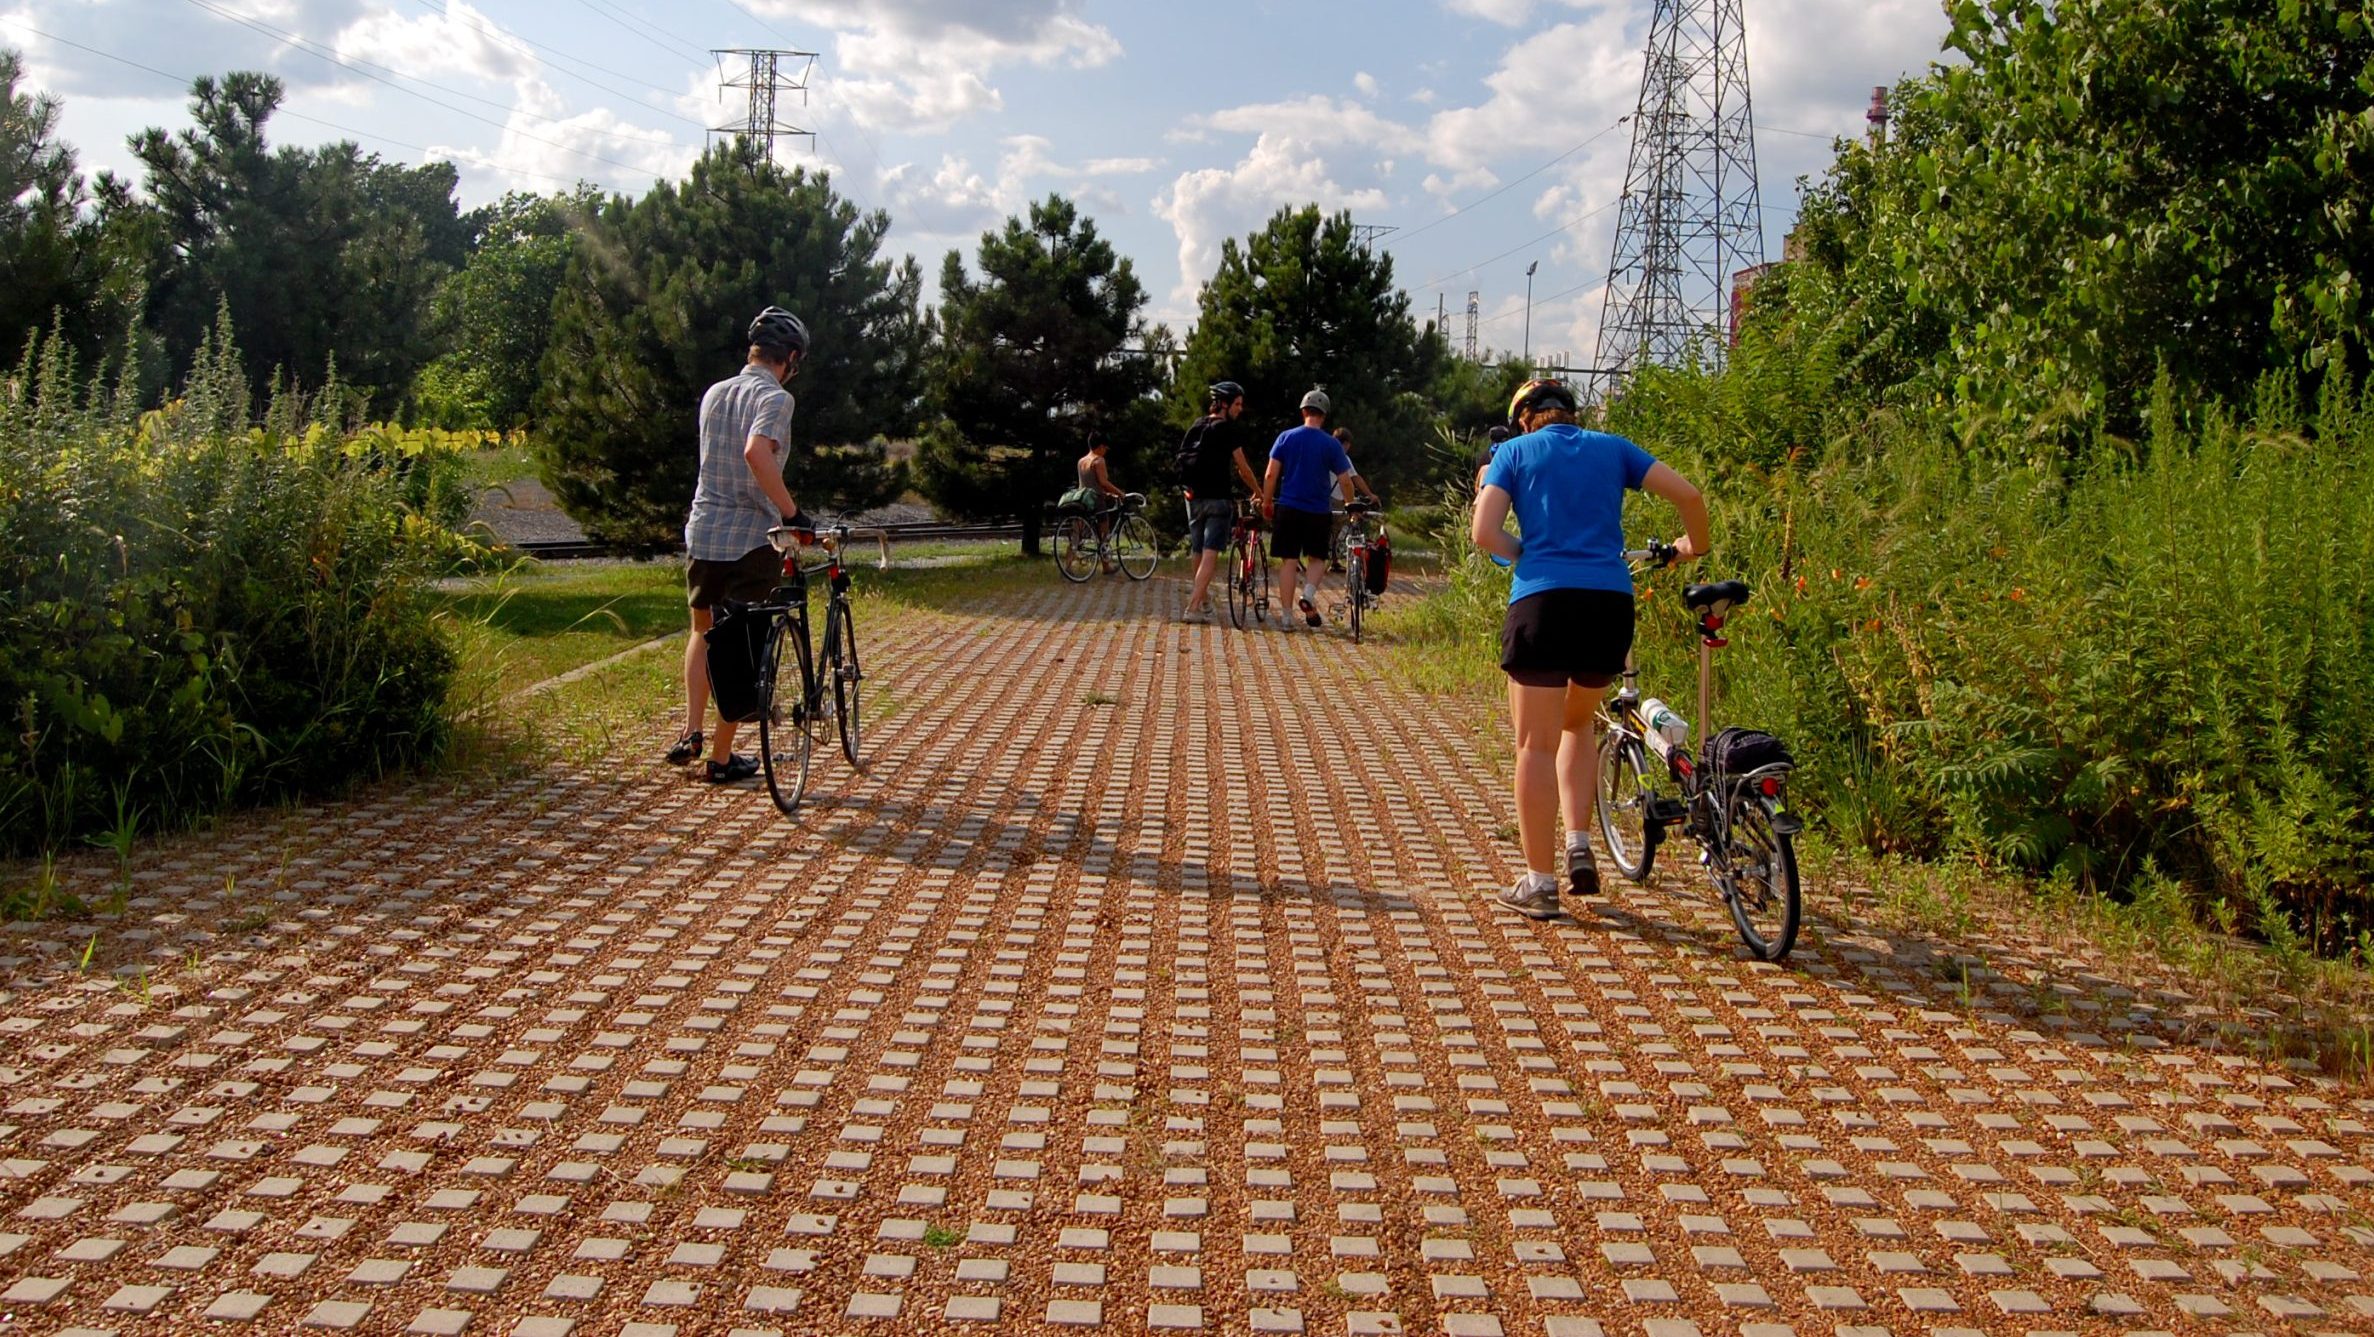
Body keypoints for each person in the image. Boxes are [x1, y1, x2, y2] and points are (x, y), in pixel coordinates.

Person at [1470, 378, 1709, 920]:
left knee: (1534, 743)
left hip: (1543, 603)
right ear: (1571, 415)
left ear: (1525, 417)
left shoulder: (1512, 452)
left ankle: (1539, 883)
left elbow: (1484, 533)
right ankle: (1579, 843)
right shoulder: (1613, 447)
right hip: (1608, 607)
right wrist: (1694, 545)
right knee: (1578, 724)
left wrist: (1523, 555)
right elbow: (1690, 496)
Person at [669, 306, 811, 784]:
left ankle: (691, 731)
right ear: (789, 358)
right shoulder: (775, 398)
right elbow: (756, 452)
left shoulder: (715, 393)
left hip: (704, 529)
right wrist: (791, 513)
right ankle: (722, 757)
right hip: (750, 537)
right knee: (740, 645)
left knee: (702, 630)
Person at [1260, 389, 1367, 628]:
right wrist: (1350, 505)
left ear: (1303, 412)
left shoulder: (1285, 438)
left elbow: (1270, 475)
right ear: (1324, 416)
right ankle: (1308, 594)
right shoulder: (1331, 444)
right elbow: (1346, 480)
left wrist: (1267, 502)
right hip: (1318, 510)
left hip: (1288, 507)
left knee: (1288, 561)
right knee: (1317, 558)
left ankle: (1286, 617)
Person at [1178, 380, 1262, 621]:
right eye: (1237, 404)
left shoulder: (1197, 425)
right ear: (1224, 404)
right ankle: (1193, 608)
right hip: (1218, 500)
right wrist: (1258, 490)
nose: (1240, 409)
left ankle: (1203, 602)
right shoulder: (1226, 429)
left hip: (1193, 498)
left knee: (1197, 551)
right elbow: (1242, 468)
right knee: (1210, 553)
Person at [1326, 426, 1382, 572]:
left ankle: (1331, 558)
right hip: (1335, 499)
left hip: (1322, 496)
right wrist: (1370, 495)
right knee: (1342, 525)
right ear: (1345, 444)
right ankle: (1335, 558)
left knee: (1331, 529)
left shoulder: (1324, 453)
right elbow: (1354, 479)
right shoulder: (1342, 457)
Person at [1075, 431, 1127, 567]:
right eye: (1105, 448)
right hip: (1097, 501)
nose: (1105, 451)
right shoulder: (1098, 460)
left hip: (1082, 500)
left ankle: (1067, 566)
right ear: (1101, 447)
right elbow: (1103, 482)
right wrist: (1119, 493)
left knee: (1076, 535)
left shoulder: (1081, 461)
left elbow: (1087, 483)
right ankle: (1106, 566)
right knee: (1104, 534)